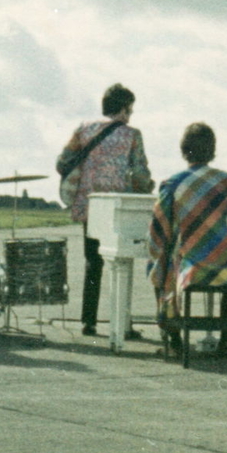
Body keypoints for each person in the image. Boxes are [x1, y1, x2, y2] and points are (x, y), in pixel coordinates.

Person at [148, 123, 227, 356]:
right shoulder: (226, 182)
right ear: (212, 150)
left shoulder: (171, 183)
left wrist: (159, 254)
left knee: (161, 266)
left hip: (189, 267)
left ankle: (173, 341)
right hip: (222, 265)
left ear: (184, 150)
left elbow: (158, 231)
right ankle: (226, 341)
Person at [57, 83, 154, 337]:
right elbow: (141, 174)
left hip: (90, 203)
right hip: (119, 206)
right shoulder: (132, 135)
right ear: (123, 109)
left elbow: (62, 162)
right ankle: (122, 323)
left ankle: (88, 321)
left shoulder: (83, 129)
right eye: (130, 110)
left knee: (93, 261)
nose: (130, 116)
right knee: (122, 262)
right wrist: (147, 187)